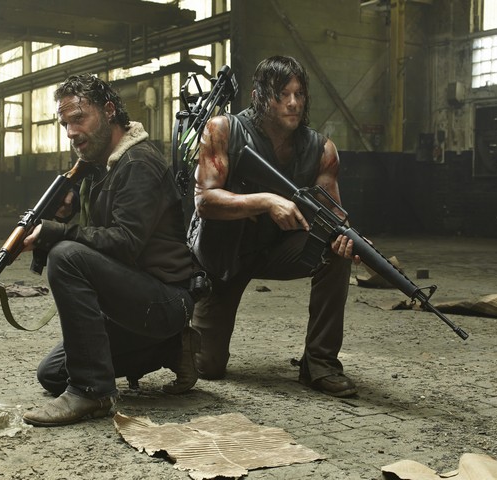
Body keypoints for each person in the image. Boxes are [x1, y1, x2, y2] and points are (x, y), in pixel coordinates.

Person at [20, 73, 200, 427]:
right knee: (53, 374)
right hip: (131, 300)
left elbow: (124, 241)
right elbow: (104, 229)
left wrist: (57, 232)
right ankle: (171, 348)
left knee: (65, 255)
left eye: (78, 118)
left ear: (108, 110)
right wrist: (68, 210)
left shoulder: (138, 163)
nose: (71, 132)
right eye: (64, 123)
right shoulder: (101, 165)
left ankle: (92, 393)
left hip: (165, 299)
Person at [186, 55, 361, 398]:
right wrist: (266, 201)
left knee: (334, 250)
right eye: (282, 94)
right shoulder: (223, 130)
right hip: (224, 255)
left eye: (299, 94)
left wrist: (349, 239)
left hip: (276, 248)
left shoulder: (321, 150)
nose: (293, 103)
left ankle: (320, 363)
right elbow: (204, 201)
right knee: (207, 367)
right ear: (259, 97)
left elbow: (334, 216)